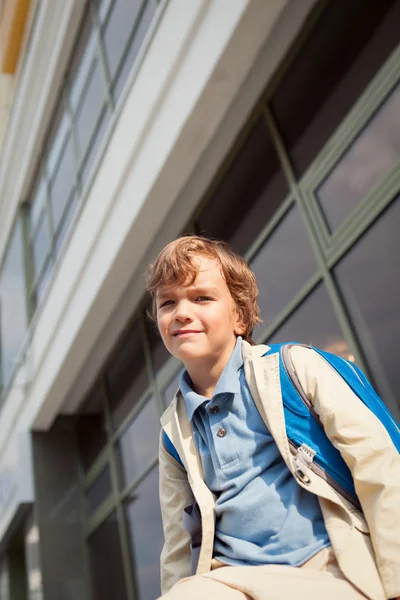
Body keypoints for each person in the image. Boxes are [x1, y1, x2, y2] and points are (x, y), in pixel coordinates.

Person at [145, 235, 400, 600]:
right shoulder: (173, 431)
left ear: (240, 316)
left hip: (327, 569)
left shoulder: (294, 369)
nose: (182, 312)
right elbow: (177, 542)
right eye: (167, 303)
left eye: (202, 297)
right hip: (231, 581)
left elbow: (381, 467)